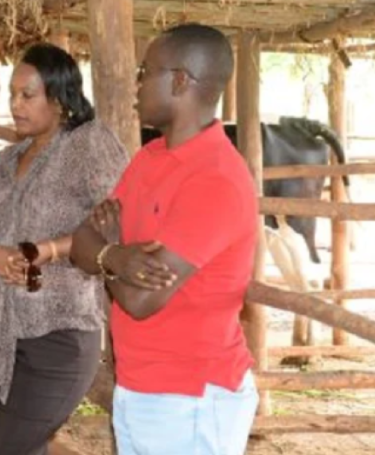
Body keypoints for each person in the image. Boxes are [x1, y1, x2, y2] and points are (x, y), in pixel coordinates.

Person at [70, 24, 259, 455]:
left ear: (179, 81)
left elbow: (140, 301)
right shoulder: (149, 157)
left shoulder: (214, 179)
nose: (136, 85)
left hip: (190, 397)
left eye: (145, 72)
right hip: (143, 384)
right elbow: (83, 239)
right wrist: (115, 255)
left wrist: (104, 255)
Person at [0, 44, 128, 455]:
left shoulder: (88, 145)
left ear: (59, 98)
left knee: (8, 449)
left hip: (57, 334)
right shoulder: (5, 161)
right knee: (7, 446)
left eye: (27, 95)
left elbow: (121, 223)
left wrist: (51, 249)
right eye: (12, 94)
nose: (14, 104)